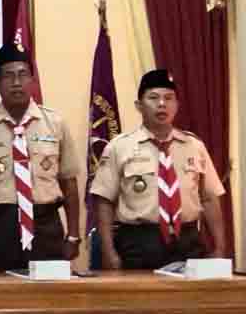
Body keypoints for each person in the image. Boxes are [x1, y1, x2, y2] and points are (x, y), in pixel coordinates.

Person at [0, 42, 81, 271]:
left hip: (45, 225)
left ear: (32, 80)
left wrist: (73, 235)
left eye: (22, 75)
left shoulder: (55, 124)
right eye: (8, 76)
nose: (16, 82)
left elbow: (69, 182)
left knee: (48, 292)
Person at [90, 68, 226, 270]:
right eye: (153, 98)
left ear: (177, 105)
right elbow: (104, 201)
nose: (162, 104)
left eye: (169, 98)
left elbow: (209, 198)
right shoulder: (120, 147)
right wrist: (108, 251)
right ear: (139, 105)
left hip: (188, 241)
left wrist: (220, 247)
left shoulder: (194, 146)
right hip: (139, 243)